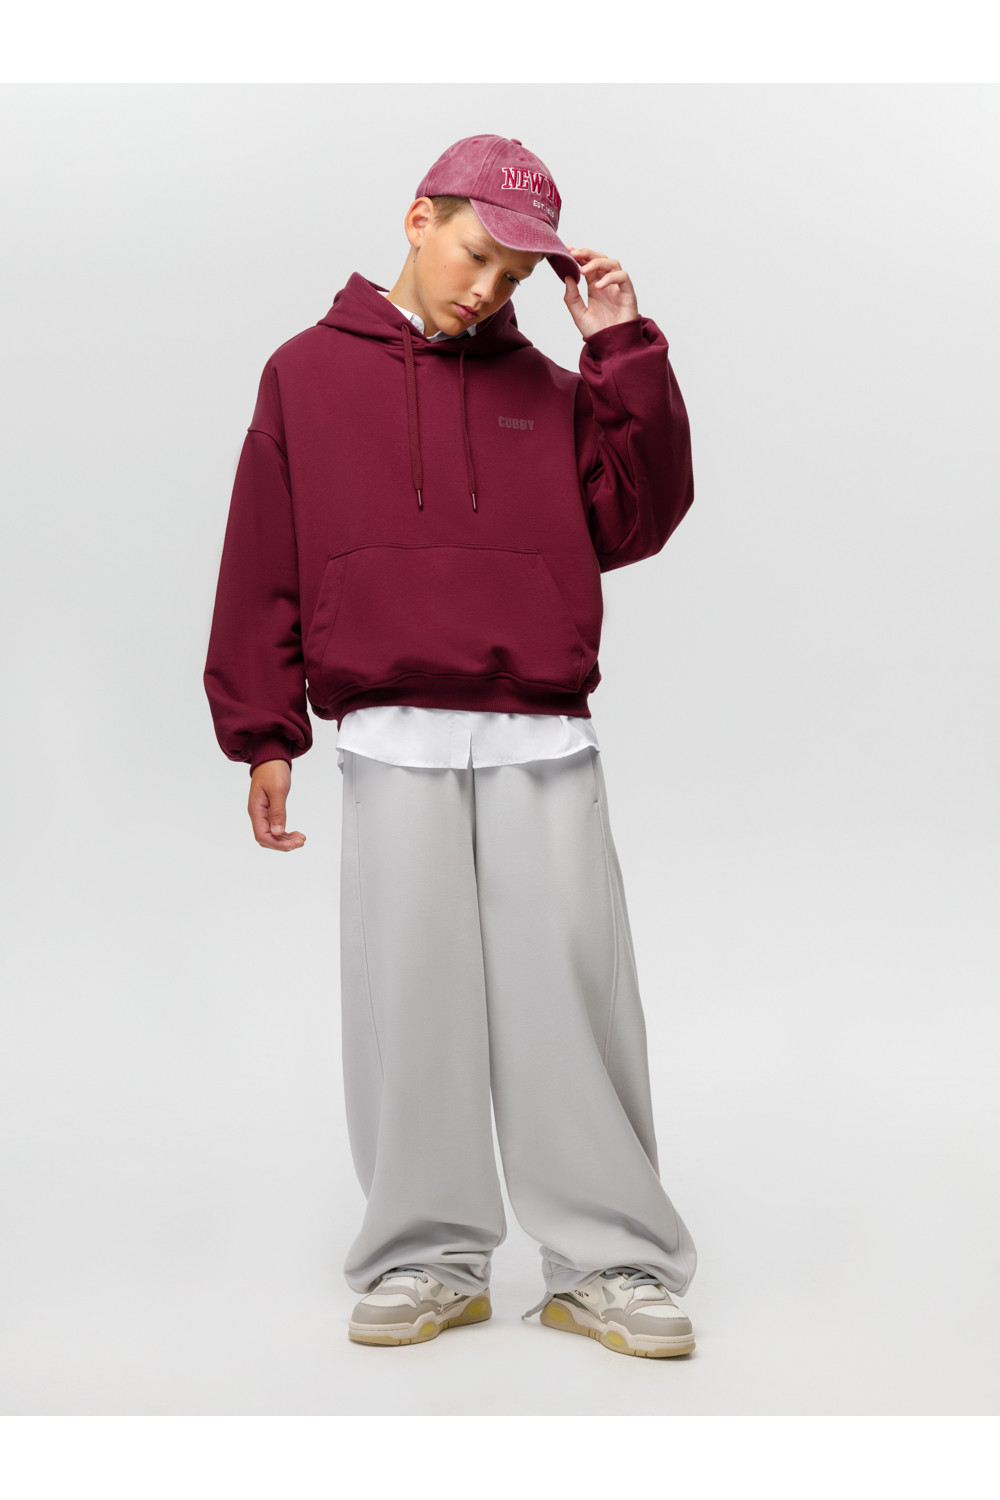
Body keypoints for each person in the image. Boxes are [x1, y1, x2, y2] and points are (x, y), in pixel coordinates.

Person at [203, 134, 699, 1360]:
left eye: (514, 277)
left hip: (540, 730)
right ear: (418, 218)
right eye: (476, 255)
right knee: (407, 1004)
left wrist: (621, 349)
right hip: (389, 735)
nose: (487, 289)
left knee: (570, 1001)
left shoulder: (556, 390)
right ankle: (427, 1256)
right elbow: (262, 555)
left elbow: (642, 517)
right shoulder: (304, 375)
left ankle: (609, 1260)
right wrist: (263, 730)